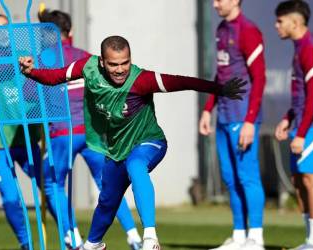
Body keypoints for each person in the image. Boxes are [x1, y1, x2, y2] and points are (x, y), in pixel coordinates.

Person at [19, 35, 246, 250]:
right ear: (101, 62)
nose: (120, 70)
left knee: (137, 166)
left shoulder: (141, 80)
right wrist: (31, 72)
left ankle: (150, 237)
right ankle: (93, 244)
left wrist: (219, 90)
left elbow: (181, 81)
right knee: (107, 201)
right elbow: (55, 76)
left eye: (125, 63)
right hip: (117, 149)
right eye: (113, 64)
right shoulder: (88, 67)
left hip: (149, 142)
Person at [37, 8, 142, 250]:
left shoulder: (43, 58)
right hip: (92, 132)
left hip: (62, 133)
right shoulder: (87, 58)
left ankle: (71, 235)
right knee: (109, 184)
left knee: (53, 184)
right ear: (70, 31)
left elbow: (30, 95)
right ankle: (134, 236)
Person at [198, 0, 267, 249]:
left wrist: (250, 120)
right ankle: (239, 236)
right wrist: (208, 109)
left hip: (242, 116)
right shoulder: (221, 29)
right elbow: (221, 76)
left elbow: (259, 77)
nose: (215, 3)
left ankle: (256, 238)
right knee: (230, 177)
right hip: (224, 117)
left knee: (248, 176)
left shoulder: (248, 30)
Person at [0, 14, 42, 250]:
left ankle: (70, 236)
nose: (1, 33)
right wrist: (19, 62)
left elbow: (37, 90)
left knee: (52, 188)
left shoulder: (27, 59)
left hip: (25, 139)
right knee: (12, 198)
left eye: (5, 28)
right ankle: (26, 243)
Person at [274, 1, 313, 249]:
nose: (276, 25)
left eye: (280, 20)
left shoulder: (311, 47)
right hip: (301, 124)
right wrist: (288, 118)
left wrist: (303, 132)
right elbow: (301, 96)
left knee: (311, 178)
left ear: (295, 22)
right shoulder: (299, 49)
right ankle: (309, 240)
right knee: (298, 181)